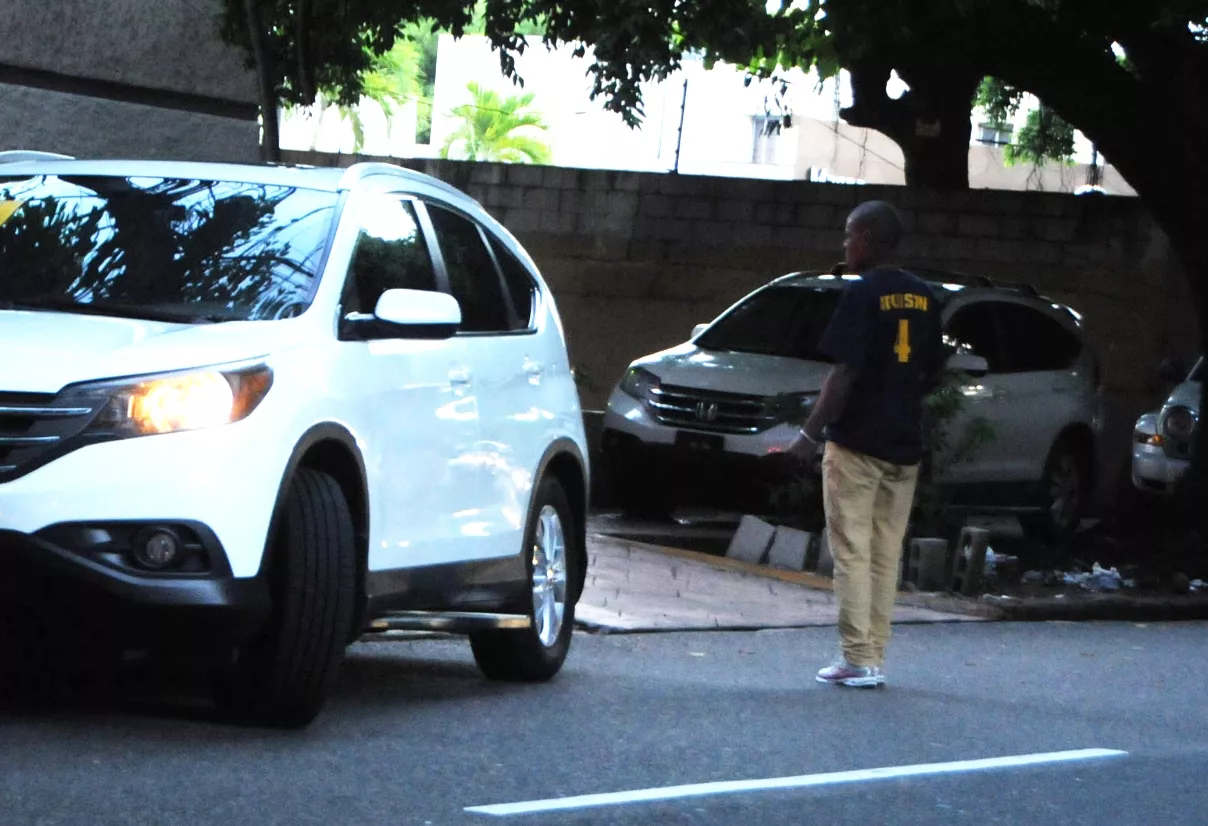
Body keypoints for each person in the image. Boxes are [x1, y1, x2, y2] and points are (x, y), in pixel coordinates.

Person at [790, 200, 945, 688]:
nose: (844, 245)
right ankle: (873, 654)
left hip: (857, 444)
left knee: (852, 551)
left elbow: (843, 373)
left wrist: (808, 435)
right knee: (885, 553)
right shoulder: (925, 296)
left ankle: (857, 657)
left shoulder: (861, 294)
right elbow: (934, 371)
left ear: (869, 240)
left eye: (849, 235)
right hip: (904, 445)